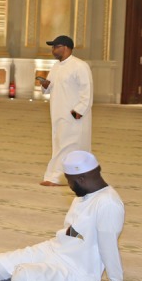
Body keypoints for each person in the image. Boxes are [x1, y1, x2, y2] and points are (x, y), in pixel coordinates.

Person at [0, 152, 142, 281]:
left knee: (22, 278)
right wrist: (68, 238)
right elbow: (73, 229)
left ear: (81, 179)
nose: (69, 186)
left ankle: (34, 271)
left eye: (69, 181)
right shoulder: (83, 194)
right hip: (54, 249)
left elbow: (108, 247)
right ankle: (35, 268)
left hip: (77, 269)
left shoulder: (108, 203)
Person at [38, 34, 93, 187]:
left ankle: (56, 178)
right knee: (60, 145)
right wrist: (45, 84)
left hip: (74, 116)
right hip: (57, 113)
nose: (53, 50)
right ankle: (73, 177)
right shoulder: (56, 67)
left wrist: (77, 113)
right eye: (53, 47)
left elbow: (87, 92)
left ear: (66, 47)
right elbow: (49, 89)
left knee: (70, 147)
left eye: (56, 46)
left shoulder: (80, 66)